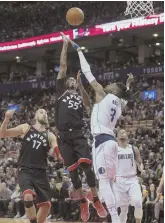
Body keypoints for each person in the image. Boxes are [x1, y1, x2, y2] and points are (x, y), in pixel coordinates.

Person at [68, 35, 134, 223]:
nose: (109, 83)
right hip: (109, 142)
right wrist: (128, 85)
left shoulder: (104, 93)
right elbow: (91, 105)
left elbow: (88, 72)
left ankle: (115, 219)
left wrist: (79, 51)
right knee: (108, 183)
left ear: (113, 90)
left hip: (103, 143)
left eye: (112, 84)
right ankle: (117, 215)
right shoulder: (118, 104)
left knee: (104, 183)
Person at [55, 32, 107, 222]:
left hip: (77, 134)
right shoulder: (60, 91)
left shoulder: (78, 94)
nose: (69, 80)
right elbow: (62, 66)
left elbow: (87, 103)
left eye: (72, 80)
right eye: (68, 80)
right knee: (73, 173)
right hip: (63, 136)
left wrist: (80, 85)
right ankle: (83, 204)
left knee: (86, 166)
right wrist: (65, 44)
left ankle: (95, 199)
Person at [0, 108, 58, 223]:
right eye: (42, 112)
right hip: (25, 169)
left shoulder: (50, 135)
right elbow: (2, 134)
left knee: (46, 206)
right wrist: (6, 118)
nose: (45, 114)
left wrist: (59, 153)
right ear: (35, 116)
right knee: (27, 197)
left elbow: (57, 152)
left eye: (46, 113)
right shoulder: (26, 128)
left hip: (41, 172)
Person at [115, 129, 143, 223]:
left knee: (138, 202)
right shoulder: (114, 149)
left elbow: (140, 162)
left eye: (124, 132)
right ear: (117, 137)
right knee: (123, 209)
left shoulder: (133, 149)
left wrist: (140, 167)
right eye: (120, 133)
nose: (122, 133)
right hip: (119, 180)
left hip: (132, 179)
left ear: (127, 135)